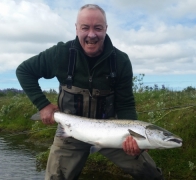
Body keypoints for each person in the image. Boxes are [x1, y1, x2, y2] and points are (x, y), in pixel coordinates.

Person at [16, 4, 163, 180]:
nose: (91, 34)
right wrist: (43, 105)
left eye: (98, 28)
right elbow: (24, 71)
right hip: (70, 132)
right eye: (85, 27)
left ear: (106, 29)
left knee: (150, 174)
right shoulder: (60, 54)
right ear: (76, 28)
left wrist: (135, 140)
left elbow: (125, 104)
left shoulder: (121, 61)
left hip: (112, 133)